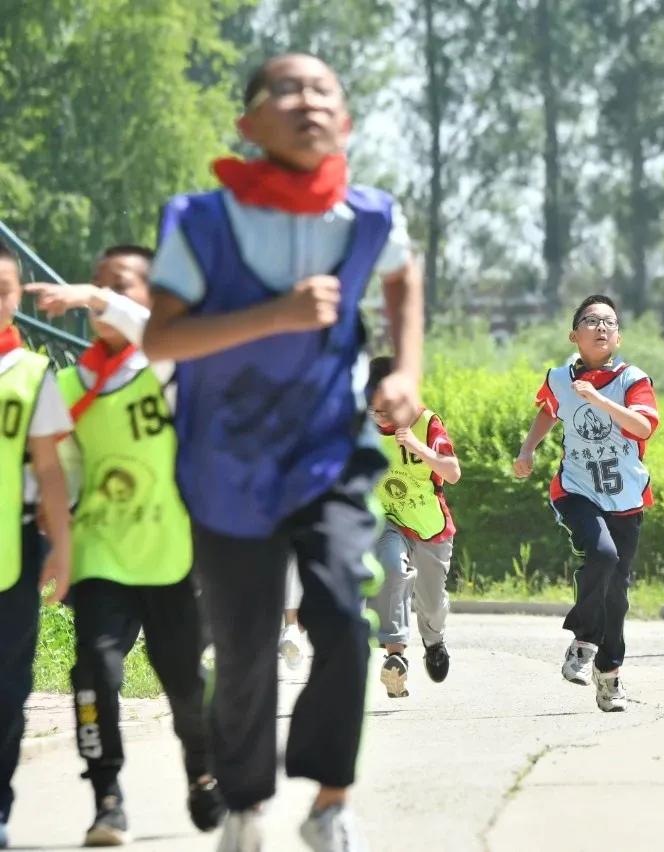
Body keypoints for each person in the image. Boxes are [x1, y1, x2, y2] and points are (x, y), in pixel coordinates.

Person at [141, 53, 423, 851]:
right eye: (286, 89)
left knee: (342, 615)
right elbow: (163, 335)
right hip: (225, 465)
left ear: (347, 120)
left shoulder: (368, 216)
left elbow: (403, 281)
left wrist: (406, 367)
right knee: (244, 641)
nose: (306, 100)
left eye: (322, 89)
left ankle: (331, 802)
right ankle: (243, 804)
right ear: (249, 123)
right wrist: (277, 315)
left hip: (327, 452)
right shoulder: (199, 220)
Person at [27, 246, 227, 845]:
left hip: (171, 561)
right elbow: (58, 477)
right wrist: (54, 536)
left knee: (186, 688)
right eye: (97, 285)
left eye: (121, 287)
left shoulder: (169, 372)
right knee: (93, 673)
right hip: (99, 560)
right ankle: (106, 797)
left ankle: (202, 770)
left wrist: (92, 296)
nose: (104, 298)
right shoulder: (64, 385)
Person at [512, 295, 659, 713]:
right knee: (601, 555)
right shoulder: (560, 378)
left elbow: (643, 425)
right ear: (574, 334)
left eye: (609, 322)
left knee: (618, 593)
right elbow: (548, 410)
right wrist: (528, 451)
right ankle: (584, 638)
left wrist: (599, 400)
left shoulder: (633, 379)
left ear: (619, 336)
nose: (600, 328)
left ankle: (609, 677)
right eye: (590, 321)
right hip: (576, 489)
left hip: (626, 497)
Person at [0, 243, 73, 850]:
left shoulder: (30, 373)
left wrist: (62, 544)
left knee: (8, 686)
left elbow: (49, 469)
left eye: (7, 290)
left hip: (16, 550)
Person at [366, 356, 460, 698]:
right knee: (391, 570)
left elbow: (452, 472)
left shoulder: (426, 422)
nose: (381, 418)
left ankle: (434, 641)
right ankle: (396, 657)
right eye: (374, 410)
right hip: (388, 520)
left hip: (430, 525)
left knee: (432, 602)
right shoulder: (361, 429)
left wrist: (416, 447)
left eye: (387, 410)